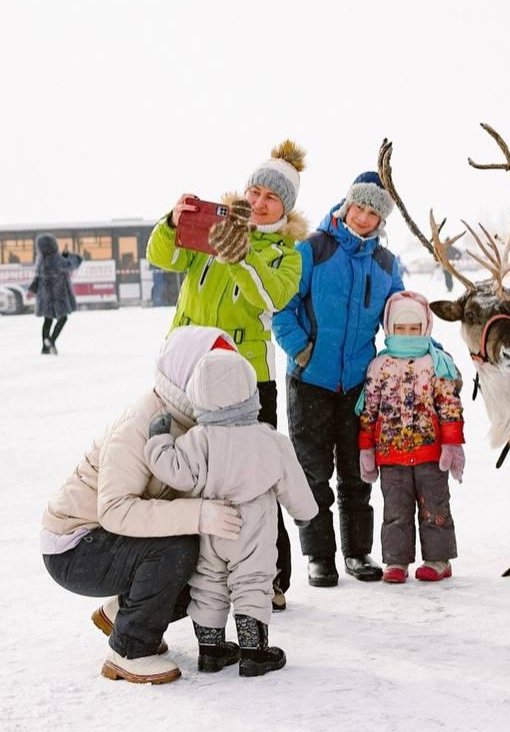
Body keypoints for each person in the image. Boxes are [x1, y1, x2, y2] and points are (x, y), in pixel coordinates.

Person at [147, 139, 308, 610]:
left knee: (254, 480)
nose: (259, 203)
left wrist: (242, 257)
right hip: (185, 372)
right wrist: (173, 221)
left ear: (285, 207)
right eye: (255, 191)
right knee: (182, 476)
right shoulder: (213, 229)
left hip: (245, 383)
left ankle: (271, 577)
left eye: (271, 197)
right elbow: (165, 256)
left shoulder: (287, 254)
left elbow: (269, 298)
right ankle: (188, 577)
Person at [41, 327, 245, 684]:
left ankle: (122, 610)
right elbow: (116, 510)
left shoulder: (196, 424)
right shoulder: (142, 422)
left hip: (113, 538)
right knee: (178, 549)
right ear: (189, 376)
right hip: (74, 546)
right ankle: (129, 649)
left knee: (212, 557)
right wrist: (199, 515)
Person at [144, 349, 317, 677]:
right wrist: (304, 513)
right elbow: (292, 480)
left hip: (212, 522)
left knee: (208, 581)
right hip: (254, 527)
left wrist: (158, 441)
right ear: (251, 394)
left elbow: (175, 471)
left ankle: (210, 650)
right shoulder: (269, 439)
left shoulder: (198, 440)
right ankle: (254, 652)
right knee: (252, 582)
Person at [273, 170, 403, 588]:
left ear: (382, 220)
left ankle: (357, 552)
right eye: (359, 207)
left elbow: (399, 317)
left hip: (358, 386)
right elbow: (283, 306)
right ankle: (319, 556)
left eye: (373, 213)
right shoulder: (313, 248)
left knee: (356, 471)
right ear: (347, 203)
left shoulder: (386, 263)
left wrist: (410, 358)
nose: (363, 218)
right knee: (312, 473)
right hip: (310, 379)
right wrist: (301, 349)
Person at [355, 291, 465, 583]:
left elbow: (450, 407)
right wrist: (366, 449)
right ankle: (396, 561)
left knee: (435, 508)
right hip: (391, 455)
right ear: (390, 328)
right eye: (400, 329)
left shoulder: (437, 363)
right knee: (395, 511)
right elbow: (369, 410)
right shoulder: (380, 366)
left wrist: (452, 445)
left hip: (431, 454)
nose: (407, 334)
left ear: (425, 328)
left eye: (413, 329)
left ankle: (438, 559)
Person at [33, 234, 83, 355]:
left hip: (45, 295)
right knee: (63, 318)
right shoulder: (56, 258)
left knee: (48, 319)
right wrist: (72, 256)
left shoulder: (41, 259)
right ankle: (51, 340)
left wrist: (63, 256)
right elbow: (70, 265)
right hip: (58, 294)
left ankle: (45, 348)